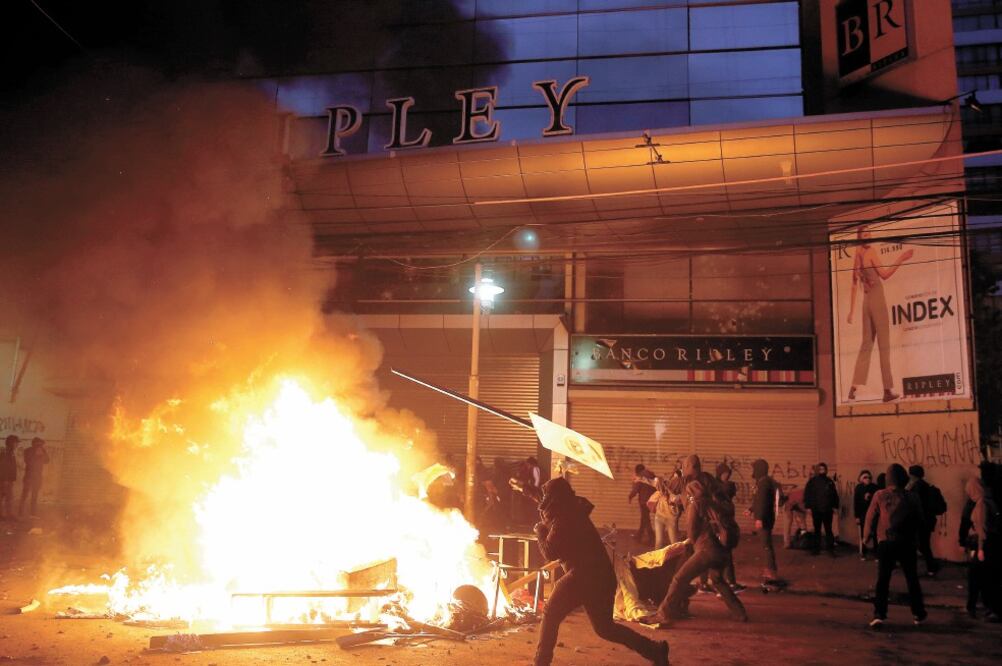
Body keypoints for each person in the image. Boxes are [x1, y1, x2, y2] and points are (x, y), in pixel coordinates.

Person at [532, 477, 669, 666]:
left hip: (582, 576)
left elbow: (549, 551)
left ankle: (541, 663)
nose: (544, 500)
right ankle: (655, 650)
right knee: (605, 629)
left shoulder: (564, 518)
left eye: (547, 495)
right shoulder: (571, 509)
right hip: (601, 578)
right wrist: (529, 492)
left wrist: (539, 532)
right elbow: (547, 510)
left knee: (550, 612)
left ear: (556, 498)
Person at [641, 454, 747, 626]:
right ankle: (739, 612)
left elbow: (692, 524)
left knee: (679, 578)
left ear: (687, 468)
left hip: (707, 547)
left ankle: (664, 614)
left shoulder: (693, 493)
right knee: (718, 580)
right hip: (722, 545)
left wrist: (690, 539)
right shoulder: (710, 483)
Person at [846, 227, 913, 403]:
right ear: (860, 238)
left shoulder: (857, 254)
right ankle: (886, 391)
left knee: (866, 344)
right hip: (876, 300)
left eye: (868, 234)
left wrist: (851, 311)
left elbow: (854, 283)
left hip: (865, 303)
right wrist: (901, 258)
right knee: (884, 345)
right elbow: (884, 275)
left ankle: (853, 388)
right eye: (864, 235)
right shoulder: (871, 252)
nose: (867, 237)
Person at [863, 463, 927, 628]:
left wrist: (866, 537)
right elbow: (920, 518)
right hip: (907, 542)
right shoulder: (912, 496)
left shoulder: (880, 495)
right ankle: (918, 613)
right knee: (912, 578)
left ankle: (879, 614)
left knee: (883, 579)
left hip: (886, 541)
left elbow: (870, 517)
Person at [959, 477, 1000, 621]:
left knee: (976, 577)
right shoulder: (989, 501)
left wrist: (981, 549)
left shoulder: (981, 504)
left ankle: (975, 607)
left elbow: (982, 528)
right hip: (989, 545)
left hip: (982, 546)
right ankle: (985, 607)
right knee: (985, 578)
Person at [907, 465, 944, 576]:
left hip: (918, 521)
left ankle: (930, 566)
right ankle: (931, 567)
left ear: (912, 475)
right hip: (927, 520)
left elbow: (912, 504)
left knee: (919, 545)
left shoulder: (915, 487)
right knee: (924, 544)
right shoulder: (927, 486)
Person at [751, 458, 781, 578]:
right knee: (766, 545)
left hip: (765, 518)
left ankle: (771, 570)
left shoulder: (763, 483)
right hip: (767, 517)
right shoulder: (764, 481)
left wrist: (759, 518)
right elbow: (759, 501)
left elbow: (763, 502)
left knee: (766, 545)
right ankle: (770, 568)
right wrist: (751, 509)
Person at [804, 462, 839, 556]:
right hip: (816, 510)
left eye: (823, 469)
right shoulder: (812, 482)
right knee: (817, 530)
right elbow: (808, 495)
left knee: (828, 529)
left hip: (827, 510)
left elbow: (834, 495)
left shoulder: (829, 482)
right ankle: (816, 549)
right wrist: (808, 507)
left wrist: (835, 506)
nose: (822, 471)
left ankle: (830, 550)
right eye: (820, 469)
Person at [19, 437, 49, 518]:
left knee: (34, 496)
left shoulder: (42, 451)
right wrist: (36, 454)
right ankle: (20, 512)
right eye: (38, 444)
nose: (40, 445)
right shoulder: (28, 451)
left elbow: (47, 461)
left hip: (37, 477)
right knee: (24, 495)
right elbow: (28, 461)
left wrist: (42, 453)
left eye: (41, 444)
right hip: (29, 477)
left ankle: (33, 513)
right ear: (34, 443)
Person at [628, 464, 656, 546]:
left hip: (644, 501)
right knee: (644, 519)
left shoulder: (640, 477)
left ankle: (652, 539)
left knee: (646, 520)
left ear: (637, 471)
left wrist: (630, 496)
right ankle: (639, 535)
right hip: (652, 500)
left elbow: (636, 489)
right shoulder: (652, 475)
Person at [854, 470, 879, 560]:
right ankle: (863, 553)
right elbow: (856, 503)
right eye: (865, 477)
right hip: (863, 514)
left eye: (869, 477)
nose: (867, 479)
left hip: (874, 514)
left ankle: (877, 554)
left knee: (876, 534)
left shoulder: (875, 487)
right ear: (861, 479)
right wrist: (857, 516)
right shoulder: (858, 488)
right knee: (863, 535)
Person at [0, 436, 19, 520]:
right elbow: (3, 467)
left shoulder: (10, 452)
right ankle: (5, 515)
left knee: (8, 498)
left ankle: (8, 514)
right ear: (11, 443)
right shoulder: (5, 452)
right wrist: (5, 480)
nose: (17, 444)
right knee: (5, 498)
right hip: (5, 480)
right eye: (16, 442)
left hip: (8, 480)